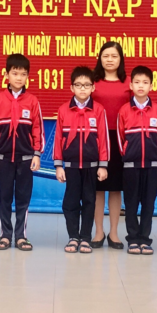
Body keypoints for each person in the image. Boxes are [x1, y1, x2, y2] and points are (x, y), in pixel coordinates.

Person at [0, 53, 43, 251]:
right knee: (4, 198)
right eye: (15, 73)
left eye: (23, 74)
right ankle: (5, 235)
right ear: (6, 75)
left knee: (23, 199)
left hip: (26, 159)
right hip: (3, 159)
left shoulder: (32, 101)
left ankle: (20, 236)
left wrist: (36, 154)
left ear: (28, 76)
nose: (19, 78)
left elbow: (37, 129)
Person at [54, 66, 109, 254]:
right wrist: (58, 165)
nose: (82, 88)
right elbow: (58, 139)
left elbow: (103, 139)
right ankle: (73, 237)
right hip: (70, 167)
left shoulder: (98, 110)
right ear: (71, 88)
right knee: (70, 203)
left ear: (93, 87)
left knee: (89, 202)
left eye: (86, 85)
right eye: (78, 85)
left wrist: (103, 165)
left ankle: (85, 237)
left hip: (92, 167)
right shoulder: (63, 110)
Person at [116, 65, 157, 256]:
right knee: (130, 204)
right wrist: (126, 154)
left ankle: (145, 240)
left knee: (148, 204)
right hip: (130, 167)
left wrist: (155, 153)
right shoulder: (124, 111)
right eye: (137, 82)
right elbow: (120, 138)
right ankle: (133, 239)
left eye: (145, 82)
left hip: (151, 167)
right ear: (131, 85)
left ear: (151, 86)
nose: (140, 86)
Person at [91, 41, 130, 249]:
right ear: (100, 58)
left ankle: (114, 233)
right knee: (97, 188)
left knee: (115, 188)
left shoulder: (129, 83)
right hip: (96, 138)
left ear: (120, 59)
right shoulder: (92, 81)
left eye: (114, 56)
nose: (109, 60)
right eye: (105, 55)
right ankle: (98, 232)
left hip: (120, 139)